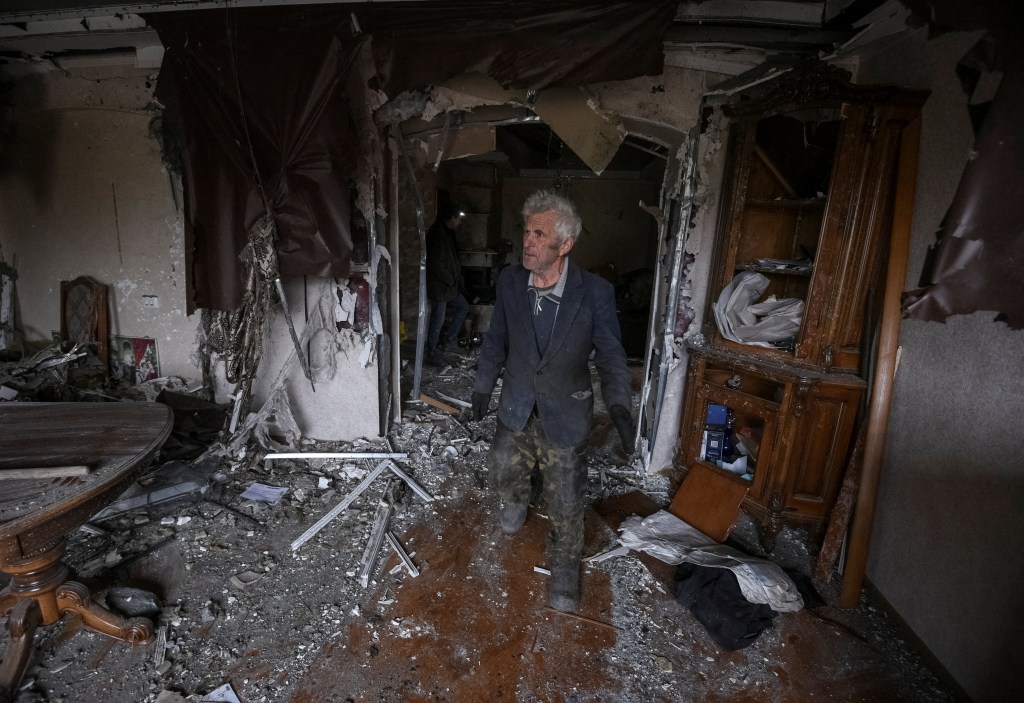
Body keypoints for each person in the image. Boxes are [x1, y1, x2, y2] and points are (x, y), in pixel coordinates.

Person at [471, 189, 635, 612]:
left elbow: (614, 356)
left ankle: (564, 567)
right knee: (503, 468)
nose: (528, 241)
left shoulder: (595, 292)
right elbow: (497, 340)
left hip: (566, 410)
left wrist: (619, 404)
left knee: (566, 499)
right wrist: (483, 386)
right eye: (527, 231)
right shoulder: (510, 281)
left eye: (539, 234)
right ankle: (516, 499)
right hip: (517, 404)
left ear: (565, 245)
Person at [425, 201, 470, 367]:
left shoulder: (447, 233)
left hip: (449, 285)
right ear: (451, 218)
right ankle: (431, 351)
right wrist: (451, 280)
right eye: (458, 219)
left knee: (463, 307)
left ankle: (449, 341)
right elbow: (436, 264)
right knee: (438, 318)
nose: (459, 223)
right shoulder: (437, 234)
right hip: (441, 286)